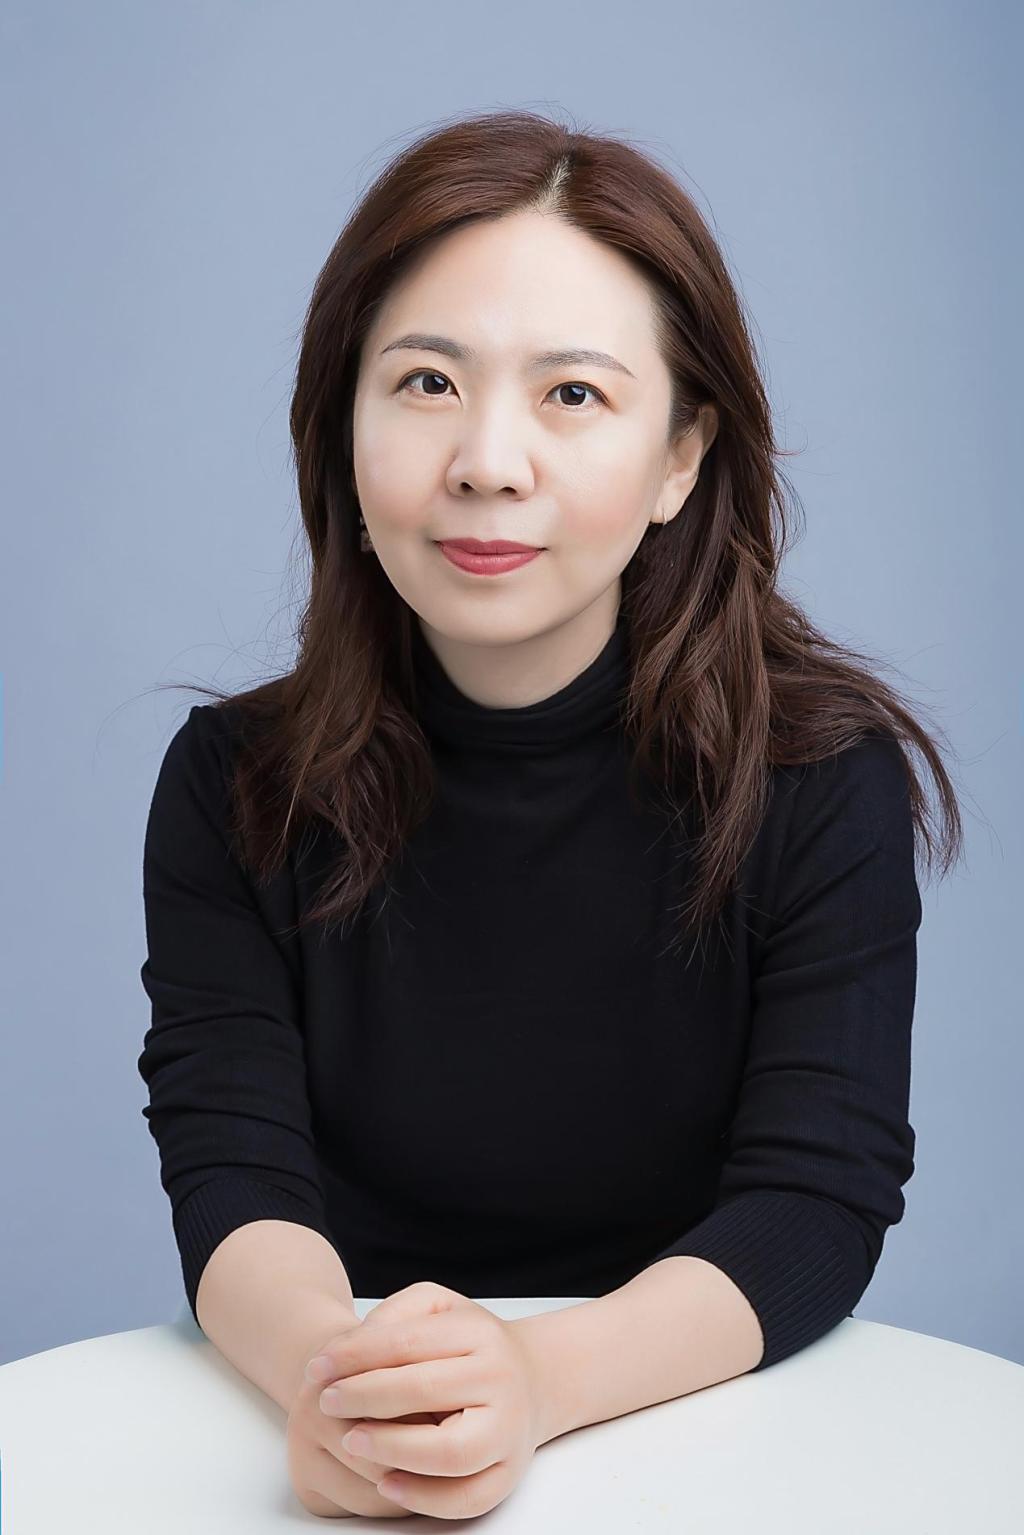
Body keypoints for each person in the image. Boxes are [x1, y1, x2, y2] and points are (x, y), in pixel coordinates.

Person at [137, 109, 965, 1519]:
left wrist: (531, 1382)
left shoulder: (821, 780)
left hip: (701, 1433)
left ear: (680, 457)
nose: (488, 461)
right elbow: (234, 1175)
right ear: (342, 428)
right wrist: (345, 1387)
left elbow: (815, 1202)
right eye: (426, 383)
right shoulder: (237, 781)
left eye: (572, 394)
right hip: (345, 1412)